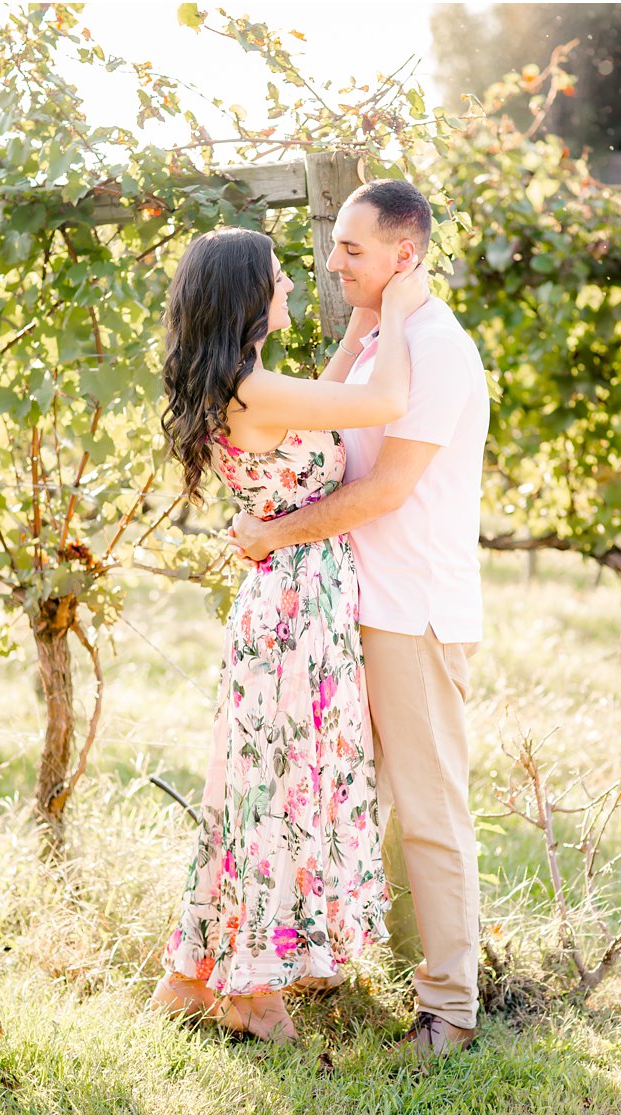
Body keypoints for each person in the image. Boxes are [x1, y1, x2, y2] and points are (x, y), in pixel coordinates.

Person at [230, 180, 490, 1058]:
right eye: (334, 245)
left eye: (351, 248)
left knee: (429, 809)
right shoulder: (384, 338)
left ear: (402, 257)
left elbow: (382, 488)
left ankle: (451, 1010)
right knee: (351, 801)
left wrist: (271, 534)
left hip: (411, 609)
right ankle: (373, 964)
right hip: (351, 606)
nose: (331, 261)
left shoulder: (437, 349)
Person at [149, 225, 429, 1042]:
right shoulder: (254, 391)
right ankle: (253, 991)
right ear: (247, 295)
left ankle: (193, 975)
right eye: (277, 278)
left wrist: (360, 326)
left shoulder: (250, 386)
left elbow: (328, 397)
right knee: (282, 791)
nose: (292, 286)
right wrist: (403, 313)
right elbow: (384, 404)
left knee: (261, 787)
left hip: (289, 595)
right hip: (296, 606)